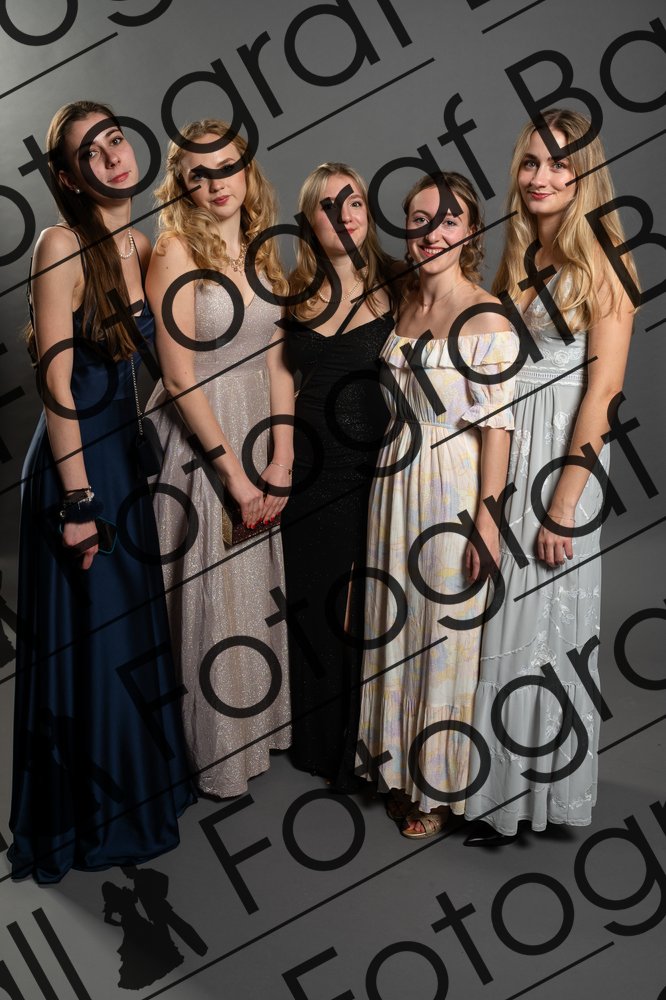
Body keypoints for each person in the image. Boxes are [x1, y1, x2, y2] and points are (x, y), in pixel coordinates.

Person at [9, 101, 195, 884]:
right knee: (96, 640)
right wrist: (80, 504)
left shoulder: (141, 245)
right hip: (76, 469)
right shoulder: (60, 246)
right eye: (92, 151)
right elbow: (56, 384)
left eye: (115, 138)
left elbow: (169, 367)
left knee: (125, 638)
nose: (113, 154)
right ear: (68, 178)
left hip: (124, 461)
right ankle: (93, 818)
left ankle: (142, 791)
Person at [463, 109, 636, 845]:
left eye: (559, 164)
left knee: (547, 626)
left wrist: (564, 504)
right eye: (531, 162)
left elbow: (605, 392)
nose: (541, 176)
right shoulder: (521, 254)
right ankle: (500, 793)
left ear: (583, 174)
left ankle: (534, 796)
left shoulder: (604, 260)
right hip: (515, 448)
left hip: (567, 456)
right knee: (505, 616)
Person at [357, 171, 518, 837]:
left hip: (450, 483)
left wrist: (488, 522)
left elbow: (498, 429)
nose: (433, 232)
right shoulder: (400, 303)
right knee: (395, 625)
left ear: (471, 232)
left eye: (450, 220)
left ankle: (435, 785)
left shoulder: (487, 315)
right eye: (421, 219)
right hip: (393, 479)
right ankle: (395, 767)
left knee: (442, 633)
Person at [146, 119, 292, 798]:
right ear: (182, 185)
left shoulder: (264, 247)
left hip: (259, 427)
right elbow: (178, 377)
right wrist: (234, 475)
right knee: (209, 590)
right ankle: (214, 754)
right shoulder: (174, 250)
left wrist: (282, 458)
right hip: (202, 440)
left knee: (251, 589)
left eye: (226, 166)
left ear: (246, 169)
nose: (216, 183)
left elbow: (278, 361)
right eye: (198, 173)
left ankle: (256, 731)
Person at [280, 163, 395, 791]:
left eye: (354, 202)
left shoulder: (401, 283)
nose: (344, 215)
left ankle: (365, 744)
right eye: (329, 206)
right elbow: (276, 378)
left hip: (374, 471)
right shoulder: (291, 293)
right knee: (311, 602)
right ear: (309, 221)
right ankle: (317, 742)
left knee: (365, 607)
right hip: (306, 473)